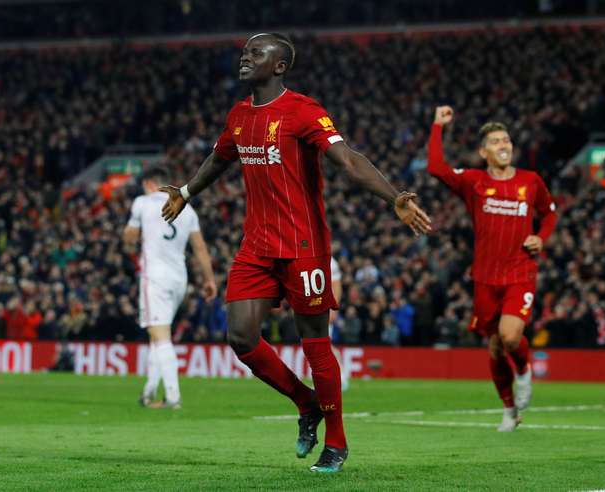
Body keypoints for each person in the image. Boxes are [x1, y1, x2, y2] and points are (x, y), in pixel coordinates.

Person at [161, 33, 431, 472]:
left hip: (303, 246)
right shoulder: (239, 115)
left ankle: (337, 442)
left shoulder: (303, 110)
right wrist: (187, 192)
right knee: (241, 337)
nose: (246, 58)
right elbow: (219, 157)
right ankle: (306, 402)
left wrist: (393, 196)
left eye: (256, 53)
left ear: (280, 66)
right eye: (246, 52)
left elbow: (348, 159)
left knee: (314, 344)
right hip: (256, 245)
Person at [428, 106, 557, 432]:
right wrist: (437, 127)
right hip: (485, 278)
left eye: (507, 140)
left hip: (520, 273)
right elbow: (436, 167)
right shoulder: (474, 181)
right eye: (496, 141)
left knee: (510, 336)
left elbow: (550, 214)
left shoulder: (531, 181)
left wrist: (541, 238)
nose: (504, 145)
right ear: (483, 151)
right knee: (496, 346)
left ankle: (525, 372)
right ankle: (510, 409)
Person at [123, 167, 217, 409]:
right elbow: (200, 248)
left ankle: (173, 397)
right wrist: (209, 280)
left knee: (160, 336)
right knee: (158, 333)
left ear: (149, 183)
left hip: (154, 277)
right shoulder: (188, 209)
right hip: (179, 279)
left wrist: (129, 241)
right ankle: (148, 392)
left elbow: (130, 238)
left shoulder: (142, 203)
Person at [329, 256, 350, 391]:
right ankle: (339, 377)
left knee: (324, 345)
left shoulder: (330, 261)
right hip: (311, 307)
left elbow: (336, 285)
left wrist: (333, 308)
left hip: (324, 308)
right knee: (322, 345)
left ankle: (341, 377)